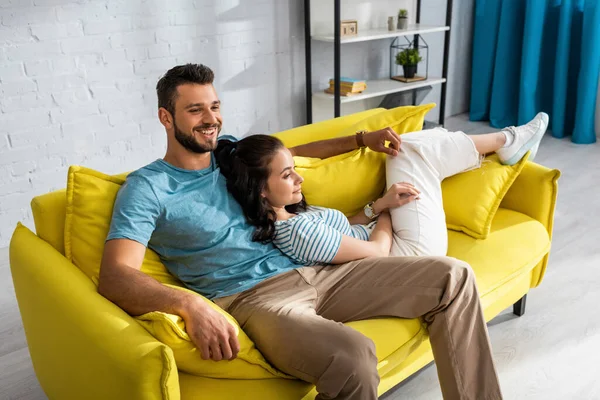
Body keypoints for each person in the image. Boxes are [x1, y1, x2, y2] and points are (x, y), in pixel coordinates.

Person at [97, 63, 547, 400]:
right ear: (165, 117)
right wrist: (188, 302)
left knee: (454, 275)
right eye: (194, 110)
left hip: (321, 268)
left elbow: (290, 152)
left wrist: (360, 140)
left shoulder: (230, 153)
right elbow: (116, 276)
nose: (210, 119)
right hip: (255, 299)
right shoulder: (148, 188)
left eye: (214, 106)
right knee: (352, 355)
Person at [213, 113, 548, 264]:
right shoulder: (295, 231)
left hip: (391, 241)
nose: (299, 177)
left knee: (408, 146)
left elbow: (346, 226)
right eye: (288, 175)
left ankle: (502, 141)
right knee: (410, 150)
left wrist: (377, 205)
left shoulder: (288, 211)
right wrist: (385, 211)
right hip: (404, 258)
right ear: (260, 189)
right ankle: (507, 140)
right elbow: (374, 252)